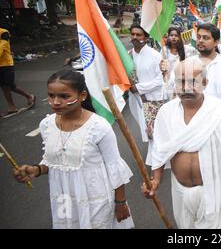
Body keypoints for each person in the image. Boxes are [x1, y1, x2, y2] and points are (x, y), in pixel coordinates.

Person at [13, 69, 134, 228]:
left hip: (96, 199)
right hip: (64, 202)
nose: (56, 101)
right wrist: (36, 170)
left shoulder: (99, 127)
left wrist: (120, 202)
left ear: (82, 96)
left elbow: (114, 167)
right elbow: (57, 162)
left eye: (64, 96)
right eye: (51, 95)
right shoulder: (46, 125)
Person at [142, 58, 221, 229]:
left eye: (193, 82)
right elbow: (160, 150)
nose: (186, 88)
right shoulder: (166, 113)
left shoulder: (219, 111)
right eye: (180, 82)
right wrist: (155, 180)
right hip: (180, 191)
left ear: (205, 82)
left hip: (214, 190)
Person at [127, 24, 164, 144]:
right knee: (146, 131)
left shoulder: (155, 55)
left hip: (153, 100)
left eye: (138, 35)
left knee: (154, 132)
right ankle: (155, 158)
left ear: (146, 38)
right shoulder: (128, 56)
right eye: (132, 34)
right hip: (136, 101)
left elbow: (159, 81)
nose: (135, 37)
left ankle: (160, 160)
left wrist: (137, 88)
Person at [0, 28, 36, 118]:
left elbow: (2, 46)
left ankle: (29, 96)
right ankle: (12, 107)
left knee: (11, 86)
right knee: (4, 86)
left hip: (7, 64)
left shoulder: (4, 32)